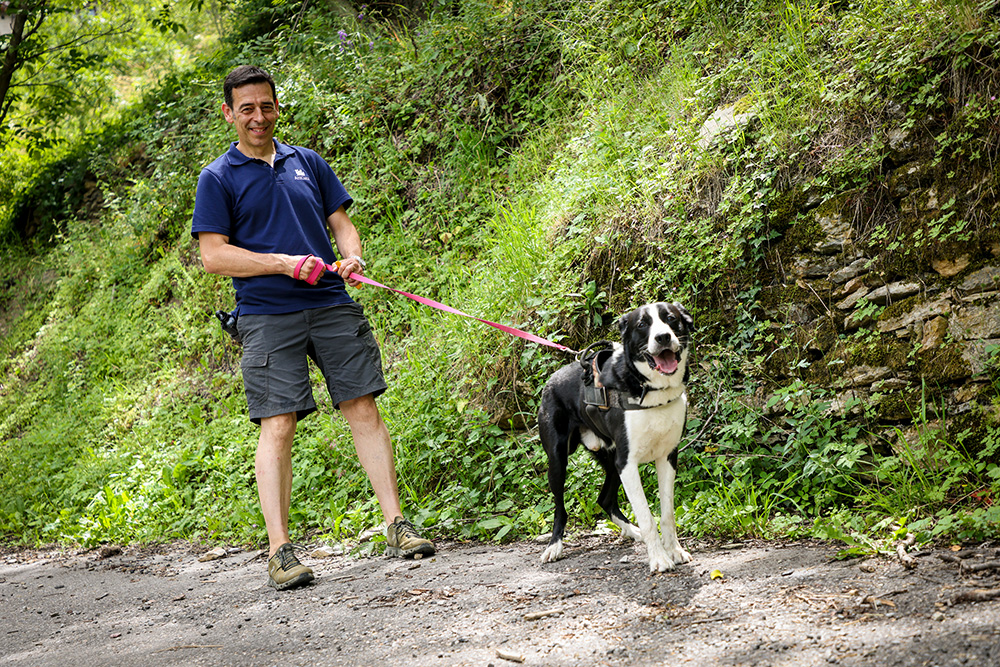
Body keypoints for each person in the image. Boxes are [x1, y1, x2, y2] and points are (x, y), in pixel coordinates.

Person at [191, 65, 434, 591]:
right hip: (265, 314)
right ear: (229, 113)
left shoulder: (309, 163)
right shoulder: (218, 177)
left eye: (267, 106)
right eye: (247, 109)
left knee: (362, 405)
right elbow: (213, 256)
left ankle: (397, 525)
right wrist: (281, 263)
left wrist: (352, 259)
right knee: (278, 423)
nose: (259, 117)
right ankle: (280, 552)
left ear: (278, 107)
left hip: (330, 301)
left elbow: (342, 223)